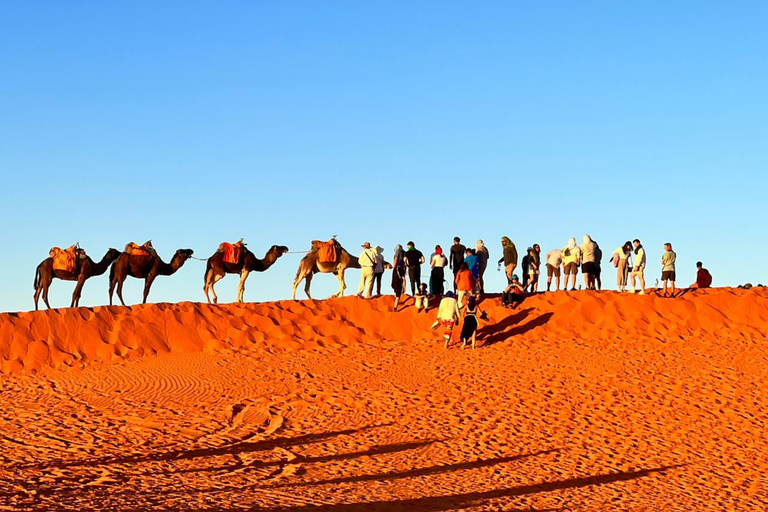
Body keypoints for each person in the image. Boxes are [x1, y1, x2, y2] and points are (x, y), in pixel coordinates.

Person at [391, 245, 407, 311]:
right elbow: (404, 278)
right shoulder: (404, 252)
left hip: (395, 279)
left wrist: (394, 266)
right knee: (398, 294)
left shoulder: (397, 252)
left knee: (394, 286)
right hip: (399, 282)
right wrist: (404, 287)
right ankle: (395, 307)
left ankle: (395, 305)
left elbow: (396, 258)